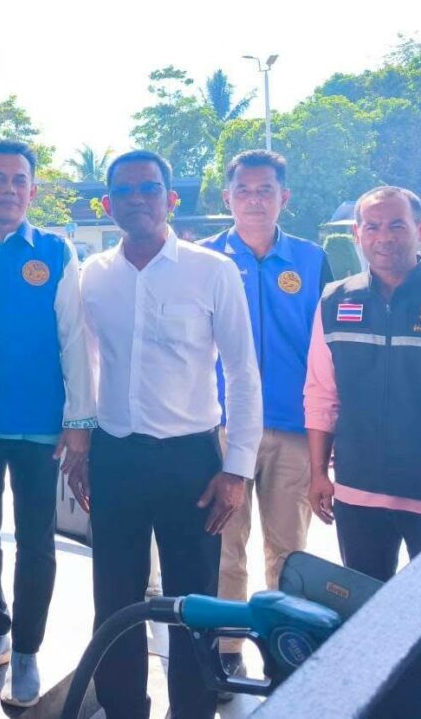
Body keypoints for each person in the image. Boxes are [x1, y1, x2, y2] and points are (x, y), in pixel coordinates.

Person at [74, 149, 262, 719]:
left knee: (194, 603)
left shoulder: (212, 271)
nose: (136, 199)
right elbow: (84, 364)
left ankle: (192, 710)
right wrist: (81, 440)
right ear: (107, 204)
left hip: (192, 464)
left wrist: (237, 469)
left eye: (149, 188)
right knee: (114, 598)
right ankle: (123, 707)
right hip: (115, 457)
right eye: (123, 191)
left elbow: (242, 372)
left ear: (170, 198)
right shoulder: (93, 275)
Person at [0, 141, 96, 708]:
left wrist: (79, 420)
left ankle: (28, 648)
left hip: (40, 428)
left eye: (18, 180)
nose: (8, 189)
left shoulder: (56, 251)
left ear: (32, 190)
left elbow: (74, 339)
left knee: (36, 541)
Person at [305, 186, 421, 582]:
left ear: (420, 230)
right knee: (366, 607)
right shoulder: (335, 302)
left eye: (396, 225)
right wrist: (318, 473)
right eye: (372, 226)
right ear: (357, 234)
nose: (384, 237)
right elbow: (321, 395)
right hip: (358, 491)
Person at [199, 150, 331, 682]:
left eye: (266, 190)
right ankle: (226, 647)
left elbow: (328, 350)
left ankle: (284, 648)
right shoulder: (203, 259)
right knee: (224, 546)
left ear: (284, 197)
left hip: (293, 427)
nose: (254, 200)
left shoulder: (312, 259)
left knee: (288, 549)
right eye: (244, 190)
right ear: (227, 197)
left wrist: (328, 432)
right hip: (223, 427)